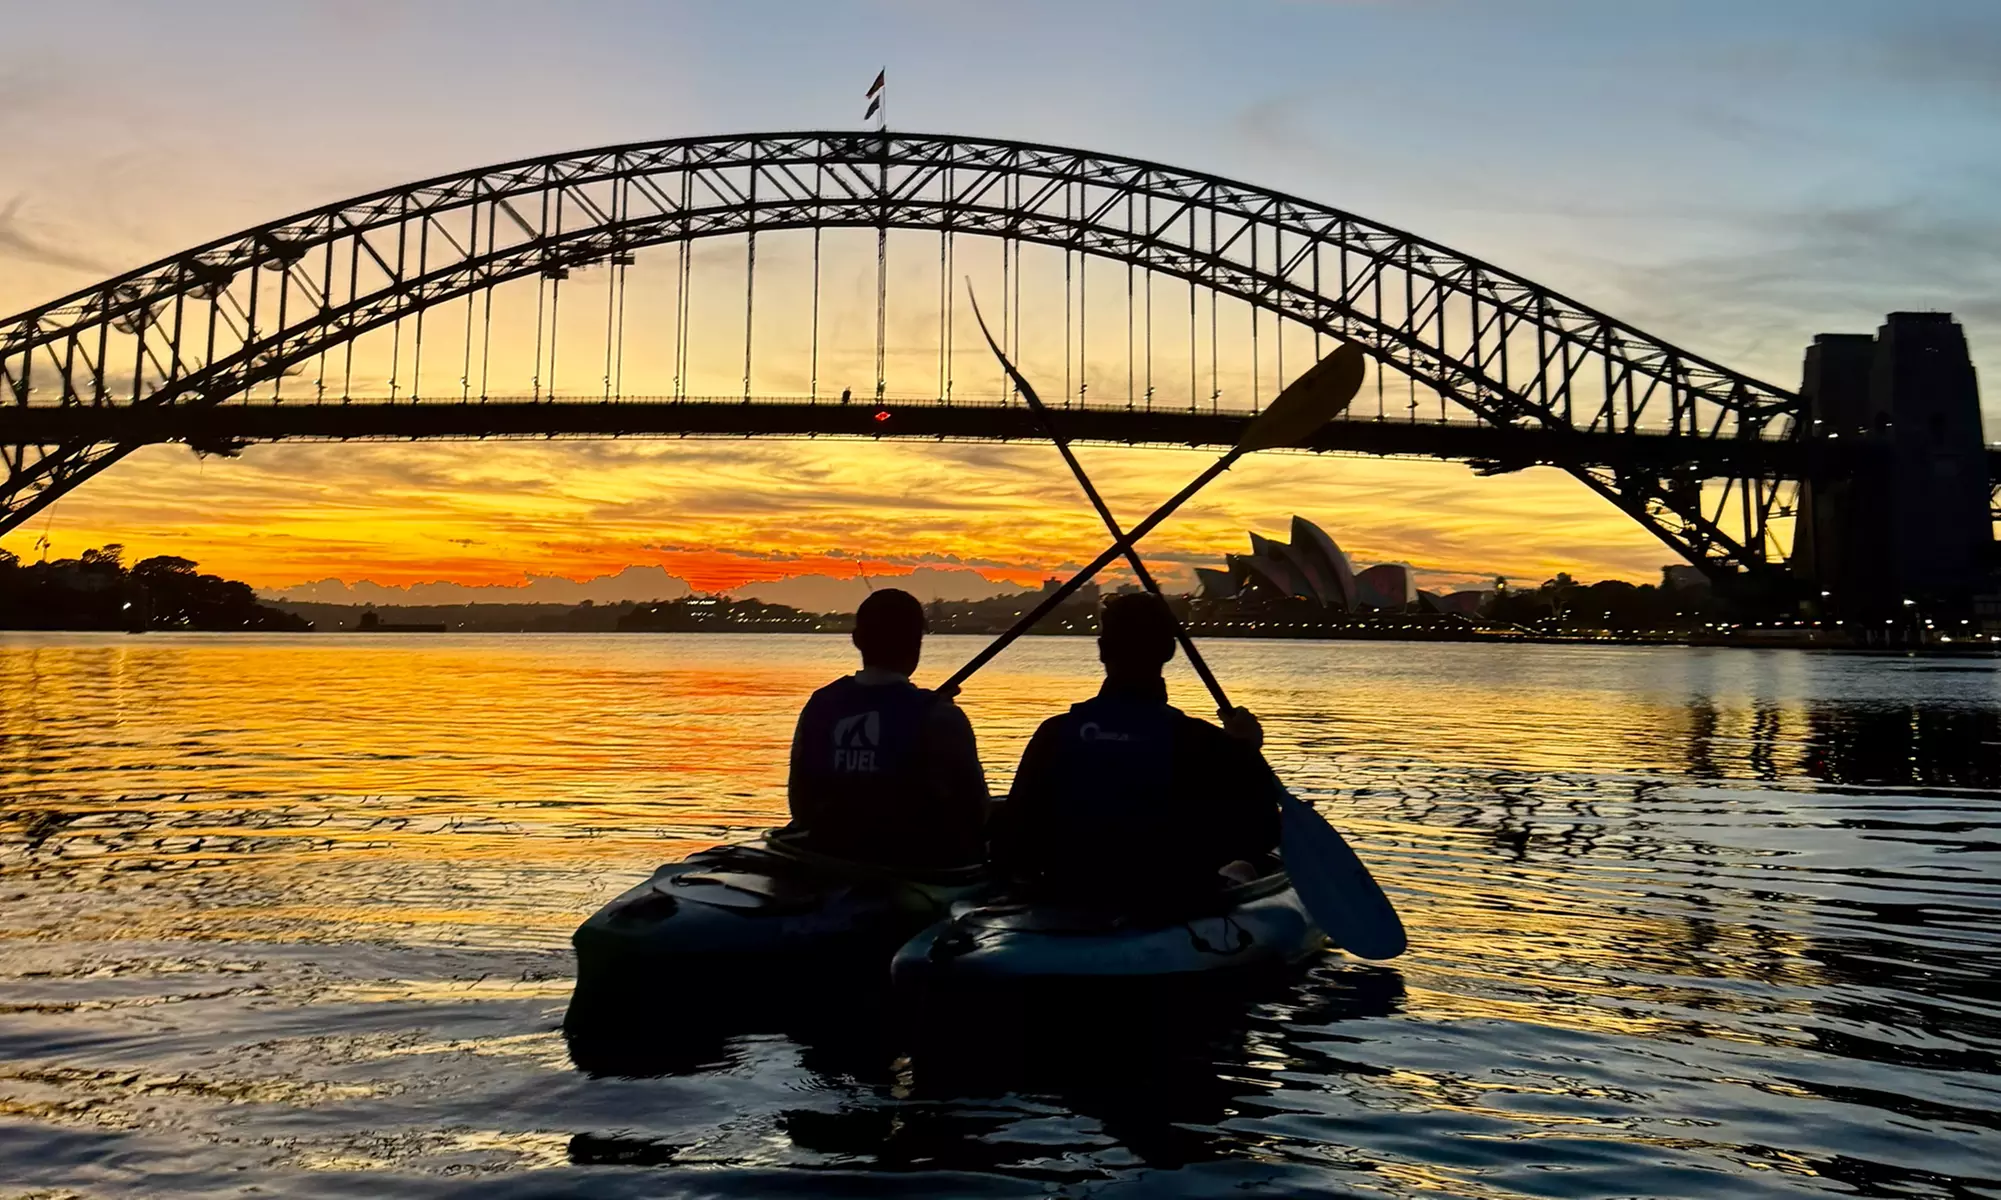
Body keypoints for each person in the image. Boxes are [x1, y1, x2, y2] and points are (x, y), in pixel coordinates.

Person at [995, 592, 1277, 906]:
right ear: (1169, 650)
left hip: (1068, 893)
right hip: (1167, 899)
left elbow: (1013, 836)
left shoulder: (1054, 733)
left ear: (1102, 650)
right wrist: (1248, 752)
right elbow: (1262, 832)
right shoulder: (1206, 744)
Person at [787, 587, 988, 868]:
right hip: (913, 865)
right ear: (917, 642)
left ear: (857, 640)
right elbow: (975, 810)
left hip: (827, 854)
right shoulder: (941, 717)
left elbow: (800, 804)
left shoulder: (819, 705)